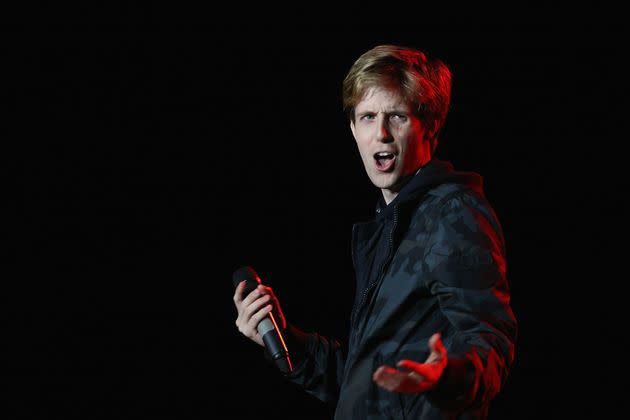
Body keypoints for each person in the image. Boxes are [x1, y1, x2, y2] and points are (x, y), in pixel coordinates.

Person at [233, 44, 517, 419]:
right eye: (367, 117)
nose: (381, 133)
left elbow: (490, 343)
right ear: (353, 129)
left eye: (396, 116)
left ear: (429, 125)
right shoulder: (392, 224)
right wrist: (284, 339)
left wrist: (446, 374)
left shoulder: (452, 213)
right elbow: (364, 385)